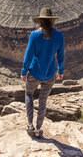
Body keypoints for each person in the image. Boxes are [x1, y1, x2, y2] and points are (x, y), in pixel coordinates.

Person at [21, 8, 64, 139]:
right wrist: (60, 71)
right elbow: (61, 55)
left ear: (40, 21)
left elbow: (28, 55)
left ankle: (30, 125)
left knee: (29, 94)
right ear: (52, 21)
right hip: (50, 74)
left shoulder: (34, 35)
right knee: (42, 101)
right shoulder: (59, 36)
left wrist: (24, 71)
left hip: (34, 73)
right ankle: (39, 129)